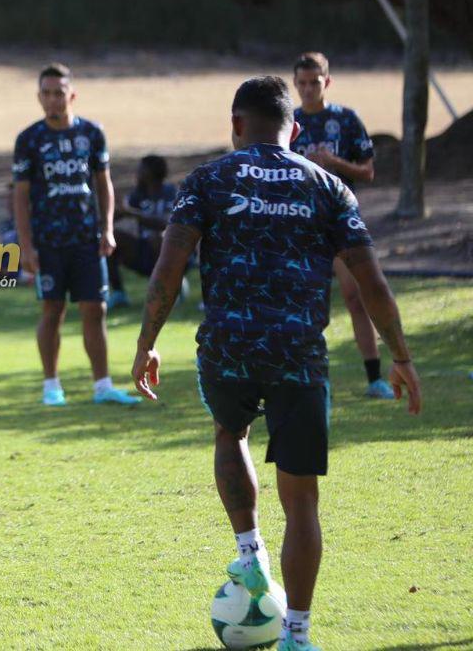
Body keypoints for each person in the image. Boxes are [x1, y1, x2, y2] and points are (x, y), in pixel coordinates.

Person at [132, 76, 422, 651]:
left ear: (236, 124)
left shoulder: (207, 180)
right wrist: (401, 356)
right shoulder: (328, 186)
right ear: (295, 128)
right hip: (298, 353)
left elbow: (168, 268)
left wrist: (147, 343)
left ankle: (250, 553)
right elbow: (371, 282)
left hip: (228, 346)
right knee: (302, 499)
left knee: (230, 430)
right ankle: (298, 635)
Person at [11, 63, 141, 407]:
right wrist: (26, 245)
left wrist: (107, 229)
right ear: (39, 97)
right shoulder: (29, 139)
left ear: (72, 95)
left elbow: (103, 184)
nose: (53, 99)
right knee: (52, 309)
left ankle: (103, 386)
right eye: (47, 93)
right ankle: (51, 387)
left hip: (86, 239)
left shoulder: (92, 134)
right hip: (48, 242)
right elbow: (21, 196)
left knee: (96, 308)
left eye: (59, 92)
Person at [291, 51, 392, 399]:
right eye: (302, 83)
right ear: (295, 84)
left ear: (327, 82)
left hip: (340, 220)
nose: (308, 89)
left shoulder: (346, 119)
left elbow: (367, 171)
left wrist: (334, 162)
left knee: (355, 296)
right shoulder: (288, 123)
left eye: (314, 82)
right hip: (301, 223)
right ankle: (309, 378)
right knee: (304, 300)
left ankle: (374, 378)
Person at [107, 154, 180, 307]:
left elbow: (167, 224)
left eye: (141, 169)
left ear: (151, 172)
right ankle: (119, 293)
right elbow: (120, 214)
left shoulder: (170, 192)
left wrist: (132, 213)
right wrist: (112, 212)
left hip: (169, 250)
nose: (137, 173)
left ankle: (172, 287)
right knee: (110, 238)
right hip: (143, 251)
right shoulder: (138, 195)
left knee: (159, 237)